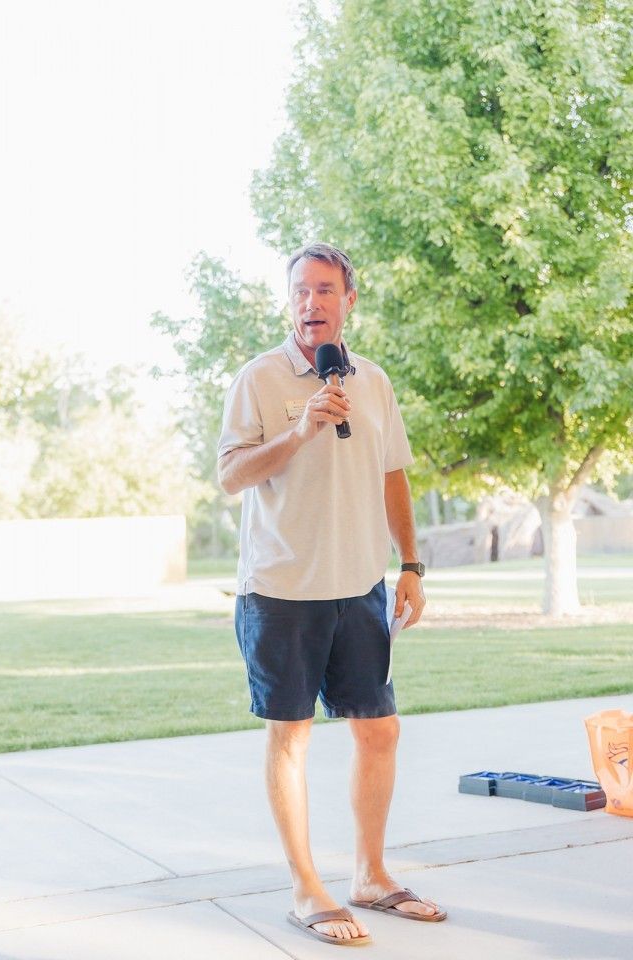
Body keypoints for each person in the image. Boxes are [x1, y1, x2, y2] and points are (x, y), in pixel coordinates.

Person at [217, 242, 446, 946]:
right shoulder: (259, 379)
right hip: (283, 589)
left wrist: (410, 564)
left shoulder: (373, 382)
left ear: (350, 299)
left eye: (324, 290)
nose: (310, 302)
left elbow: (393, 476)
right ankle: (305, 888)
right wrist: (301, 426)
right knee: (291, 737)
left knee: (379, 729)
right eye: (299, 291)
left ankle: (371, 876)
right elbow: (231, 475)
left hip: (359, 588)